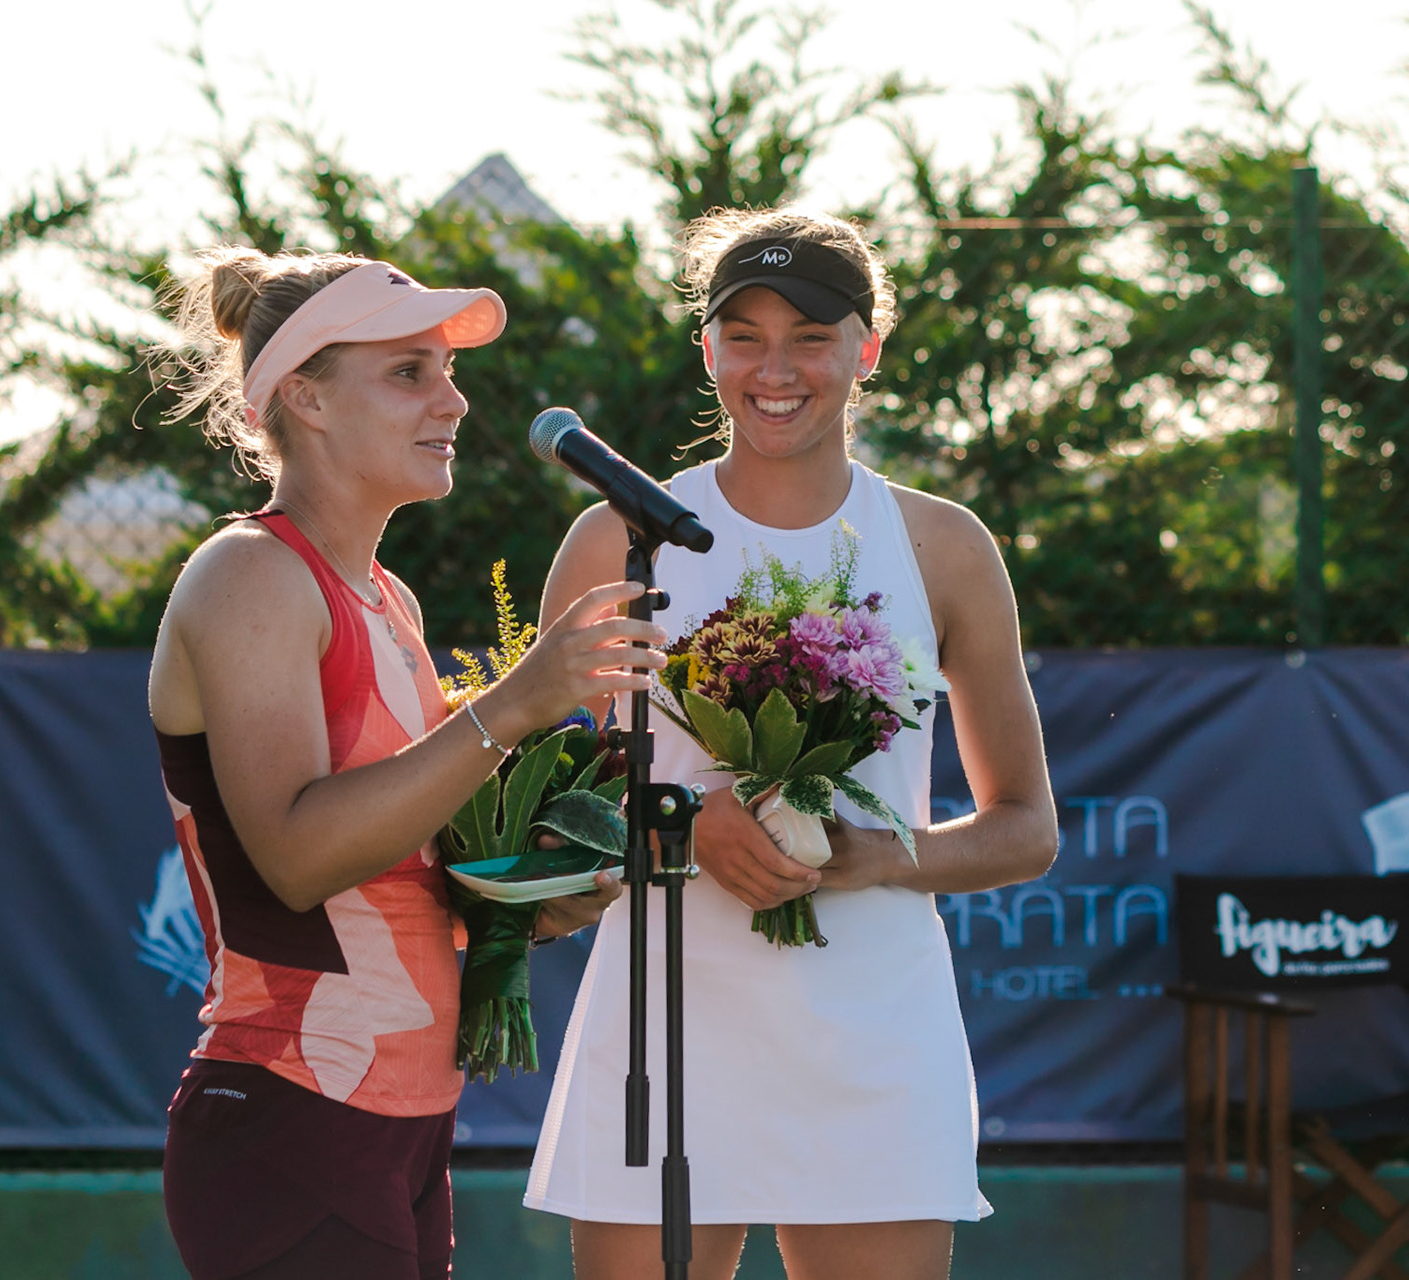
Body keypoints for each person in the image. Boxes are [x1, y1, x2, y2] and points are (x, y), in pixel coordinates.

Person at [523, 210, 1060, 1280]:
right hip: (663, 1023)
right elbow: (535, 811)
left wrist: (877, 855)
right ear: (707, 351)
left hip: (872, 1030)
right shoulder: (613, 539)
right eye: (745, 336)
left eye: (811, 337)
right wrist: (683, 825)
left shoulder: (943, 545)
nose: (776, 370)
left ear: (868, 349)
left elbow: (1025, 829)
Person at [147, 247, 667, 1280]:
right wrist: (516, 703)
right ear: (306, 398)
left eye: (448, 370)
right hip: (292, 1114)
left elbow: (395, 871)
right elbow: (299, 859)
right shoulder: (249, 575)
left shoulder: (389, 598)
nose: (454, 400)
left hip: (401, 1123)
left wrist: (535, 897)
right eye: (408, 373)